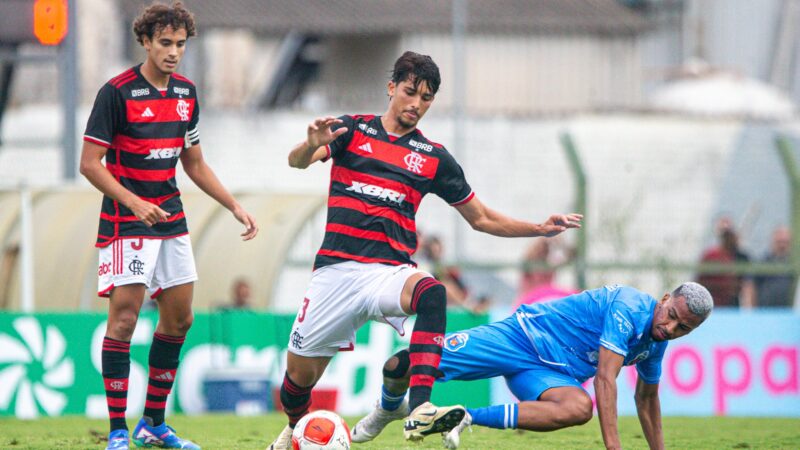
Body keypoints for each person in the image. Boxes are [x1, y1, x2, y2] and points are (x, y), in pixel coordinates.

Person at [268, 51, 582, 449]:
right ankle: (298, 429)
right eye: (410, 92)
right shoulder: (351, 130)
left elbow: (481, 218)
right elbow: (298, 162)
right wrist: (309, 144)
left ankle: (419, 408)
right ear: (391, 88)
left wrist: (537, 227)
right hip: (336, 272)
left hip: (389, 272)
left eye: (427, 97)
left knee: (432, 293)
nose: (416, 104)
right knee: (297, 383)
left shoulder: (433, 159)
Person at [79, 3, 258, 449]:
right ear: (145, 41)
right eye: (165, 43)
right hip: (126, 219)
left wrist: (233, 204)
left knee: (179, 319)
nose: (173, 52)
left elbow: (193, 163)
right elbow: (89, 163)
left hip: (170, 217)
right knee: (123, 321)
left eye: (180, 44)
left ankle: (153, 423)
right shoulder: (115, 93)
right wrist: (134, 202)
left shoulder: (186, 94)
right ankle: (118, 430)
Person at [353, 282, 713, 450]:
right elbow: (606, 378)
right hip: (520, 336)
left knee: (579, 407)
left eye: (683, 329)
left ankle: (466, 417)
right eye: (671, 316)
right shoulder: (631, 308)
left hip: (549, 376)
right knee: (400, 365)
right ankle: (388, 409)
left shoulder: (656, 340)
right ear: (664, 299)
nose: (670, 328)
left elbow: (647, 398)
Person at [696, 221, 754, 307]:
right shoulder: (711, 255)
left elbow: (747, 283)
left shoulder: (741, 257)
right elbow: (701, 280)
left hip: (731, 302)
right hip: (713, 302)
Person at [755, 226, 794, 307]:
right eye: (779, 242)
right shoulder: (762, 262)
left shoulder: (795, 263)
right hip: (766, 312)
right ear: (772, 242)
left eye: (785, 242)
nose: (782, 245)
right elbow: (750, 287)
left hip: (791, 313)